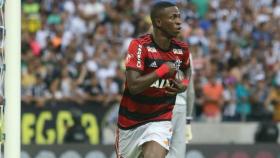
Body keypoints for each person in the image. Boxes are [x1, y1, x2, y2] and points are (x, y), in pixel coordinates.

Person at [115, 2, 192, 158]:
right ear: (158, 22)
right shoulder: (139, 46)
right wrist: (162, 71)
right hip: (130, 123)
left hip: (160, 120)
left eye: (179, 17)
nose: (179, 22)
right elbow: (134, 86)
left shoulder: (181, 49)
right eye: (173, 17)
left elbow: (187, 69)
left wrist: (184, 84)